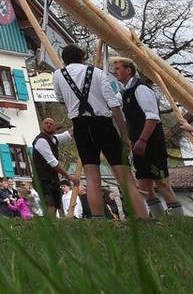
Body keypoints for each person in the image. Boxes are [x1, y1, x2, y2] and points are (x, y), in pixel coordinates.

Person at [52, 43, 142, 218]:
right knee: (123, 175)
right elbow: (114, 105)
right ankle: (143, 217)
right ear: (82, 57)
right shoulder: (97, 73)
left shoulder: (58, 75)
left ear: (64, 60)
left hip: (79, 125)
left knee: (92, 176)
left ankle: (99, 219)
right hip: (103, 123)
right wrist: (125, 135)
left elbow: (60, 99)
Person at [112, 57, 179, 217]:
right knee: (144, 184)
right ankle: (159, 218)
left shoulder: (141, 89)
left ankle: (178, 219)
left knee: (162, 183)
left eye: (118, 69)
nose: (115, 72)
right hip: (137, 143)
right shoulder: (125, 92)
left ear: (129, 70)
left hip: (151, 142)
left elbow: (152, 117)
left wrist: (142, 140)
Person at [29, 118, 78, 216]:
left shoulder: (54, 139)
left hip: (53, 178)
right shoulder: (41, 141)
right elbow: (53, 162)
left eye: (51, 123)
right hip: (42, 179)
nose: (48, 125)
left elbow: (67, 134)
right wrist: (69, 177)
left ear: (55, 127)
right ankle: (51, 227)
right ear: (43, 125)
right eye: (46, 123)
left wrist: (79, 122)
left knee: (55, 204)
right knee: (49, 204)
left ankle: (54, 225)